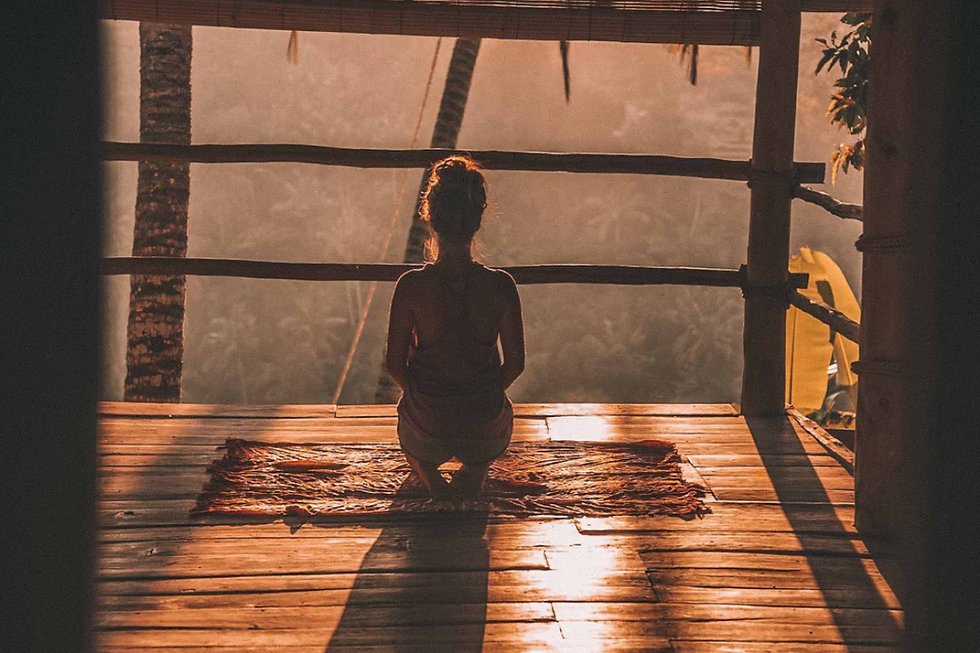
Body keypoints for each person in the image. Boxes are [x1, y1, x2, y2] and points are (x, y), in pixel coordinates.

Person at [385, 156, 525, 500]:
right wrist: (482, 393)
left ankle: (430, 475)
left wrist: (424, 396)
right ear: (477, 218)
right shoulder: (501, 286)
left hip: (428, 424)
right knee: (492, 421)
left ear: (429, 217)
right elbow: (516, 364)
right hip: (483, 426)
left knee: (412, 434)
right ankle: (477, 466)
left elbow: (394, 365)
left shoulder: (411, 287)